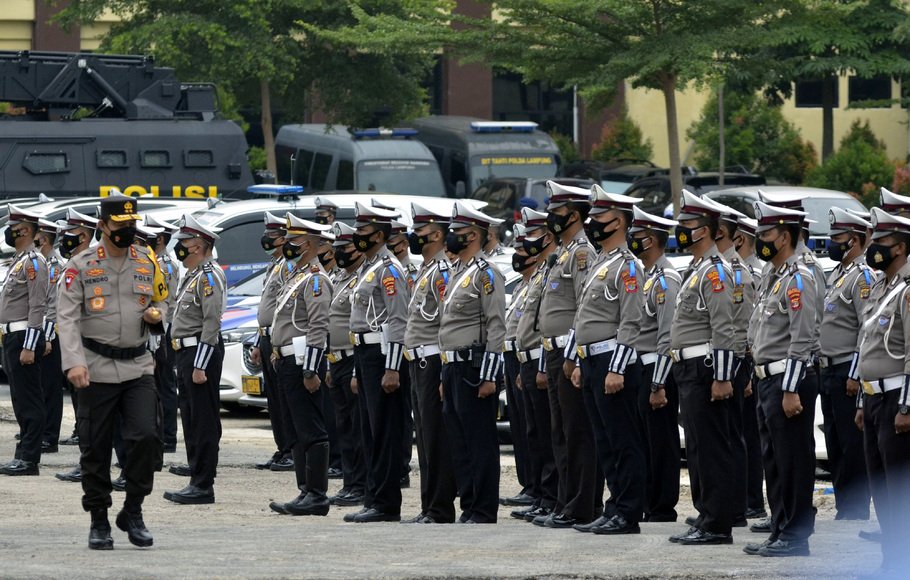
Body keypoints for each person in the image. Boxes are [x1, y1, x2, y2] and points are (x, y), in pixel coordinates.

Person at [56, 193, 168, 549]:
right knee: (96, 448)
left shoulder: (146, 260)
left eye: (132, 225)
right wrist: (73, 361)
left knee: (148, 438)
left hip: (138, 365)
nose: (127, 231)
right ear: (102, 226)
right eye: (120, 225)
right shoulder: (80, 264)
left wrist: (156, 316)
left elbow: (160, 300)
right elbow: (67, 317)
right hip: (94, 368)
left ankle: (132, 509)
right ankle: (99, 520)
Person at [567, 186, 646, 535]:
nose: (592, 223)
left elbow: (632, 321)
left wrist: (616, 368)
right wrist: (579, 362)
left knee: (623, 440)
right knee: (605, 441)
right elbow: (584, 317)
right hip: (593, 362)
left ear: (618, 222)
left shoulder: (628, 266)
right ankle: (614, 507)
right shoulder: (600, 262)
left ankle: (628, 513)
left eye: (599, 218)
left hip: (615, 362)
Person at [745, 201, 819, 558]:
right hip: (767, 380)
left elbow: (802, 338)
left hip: (789, 381)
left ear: (785, 237)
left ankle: (796, 535)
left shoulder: (799, 278)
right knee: (773, 460)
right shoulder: (773, 276)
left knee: (793, 461)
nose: (760, 240)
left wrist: (790, 389)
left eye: (766, 234)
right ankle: (780, 529)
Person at [667, 189, 737, 546]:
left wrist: (723, 377)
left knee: (711, 448)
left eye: (687, 224)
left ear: (706, 231)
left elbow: (723, 327)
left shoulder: (715, 272)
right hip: (687, 368)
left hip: (705, 369)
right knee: (696, 447)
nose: (680, 230)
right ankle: (707, 514)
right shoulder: (696, 269)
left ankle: (718, 524)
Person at [537, 181, 600, 528]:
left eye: (557, 212)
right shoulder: (562, 252)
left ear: (574, 215)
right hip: (554, 352)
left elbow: (583, 309)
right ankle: (566, 500)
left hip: (568, 352)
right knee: (560, 433)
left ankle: (581, 505)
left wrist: (574, 357)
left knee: (577, 433)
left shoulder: (581, 253)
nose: (551, 217)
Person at [438, 201, 505, 524]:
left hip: (473, 369)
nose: (451, 237)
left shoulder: (486, 273)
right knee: (459, 441)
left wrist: (489, 375)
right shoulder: (458, 272)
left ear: (474, 236)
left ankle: (483, 508)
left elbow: (496, 325)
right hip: (452, 367)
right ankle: (469, 505)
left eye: (457, 233)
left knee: (479, 441)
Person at [343, 202, 408, 523]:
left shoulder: (389, 269)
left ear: (380, 235)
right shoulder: (369, 268)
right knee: (369, 431)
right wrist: (357, 370)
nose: (357, 237)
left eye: (363, 232)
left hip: (383, 356)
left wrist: (393, 367)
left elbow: (398, 320)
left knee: (384, 432)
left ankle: (385, 504)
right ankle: (373, 498)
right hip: (365, 356)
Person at [267, 215, 334, 516]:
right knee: (294, 428)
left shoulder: (316, 279)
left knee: (311, 428)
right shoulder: (297, 275)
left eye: (292, 241)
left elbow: (319, 328)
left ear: (307, 244)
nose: (287, 246)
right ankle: (304, 490)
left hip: (302, 360)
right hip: (286, 359)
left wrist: (311, 369)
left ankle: (317, 494)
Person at [855, 207, 910, 576]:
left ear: (902, 248)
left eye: (883, 242)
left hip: (896, 403)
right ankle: (891, 560)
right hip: (873, 399)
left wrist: (906, 407)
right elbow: (867, 345)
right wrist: (862, 399)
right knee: (880, 487)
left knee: (899, 489)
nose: (875, 248)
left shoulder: (907, 291)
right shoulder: (881, 286)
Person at [163, 214, 226, 505]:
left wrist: (200, 364)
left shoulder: (209, 275)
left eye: (185, 242)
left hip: (201, 354)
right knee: (189, 417)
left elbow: (211, 324)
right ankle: (196, 478)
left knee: (202, 420)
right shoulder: (194, 274)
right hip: (186, 352)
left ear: (199, 246)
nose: (180, 247)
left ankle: (203, 485)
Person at [402, 202, 458, 524]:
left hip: (432, 361)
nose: (414, 236)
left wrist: (442, 373)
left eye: (420, 231)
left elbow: (445, 324)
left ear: (437, 234)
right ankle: (428, 507)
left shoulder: (441, 273)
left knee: (435, 439)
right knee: (423, 437)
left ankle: (439, 509)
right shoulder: (425, 270)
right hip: (417, 361)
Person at [626, 205, 682, 523]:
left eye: (639, 236)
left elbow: (667, 337)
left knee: (661, 442)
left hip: (655, 371)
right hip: (640, 369)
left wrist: (658, 383)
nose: (633, 240)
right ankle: (649, 501)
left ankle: (662, 506)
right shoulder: (646, 276)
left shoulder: (666, 280)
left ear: (653, 240)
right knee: (645, 441)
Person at [819, 207, 874, 520]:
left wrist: (854, 374)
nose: (832, 244)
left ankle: (855, 507)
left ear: (854, 240)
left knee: (852, 444)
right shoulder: (839, 274)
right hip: (828, 369)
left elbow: (865, 330)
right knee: (835, 440)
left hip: (846, 372)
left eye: (838, 238)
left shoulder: (862, 277)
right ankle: (845, 506)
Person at [702, 198, 753, 529]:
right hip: (724, 358)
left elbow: (739, 325)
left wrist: (737, 372)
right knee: (720, 440)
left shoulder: (735, 271)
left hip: (732, 361)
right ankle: (726, 506)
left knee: (730, 438)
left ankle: (737, 508)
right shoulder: (713, 267)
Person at [512, 207, 560, 523]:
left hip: (543, 361)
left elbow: (550, 326)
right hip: (529, 362)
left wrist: (541, 365)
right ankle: (542, 497)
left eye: (533, 236)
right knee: (535, 435)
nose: (527, 245)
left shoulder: (555, 267)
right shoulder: (542, 271)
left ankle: (552, 498)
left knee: (548, 435)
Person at [0, 205, 48, 476]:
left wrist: (30, 345)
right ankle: (23, 454)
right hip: (12, 336)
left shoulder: (34, 261)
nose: (9, 231)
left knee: (29, 399)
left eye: (13, 227)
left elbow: (37, 305)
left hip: (23, 337)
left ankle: (30, 459)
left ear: (26, 231)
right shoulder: (20, 259)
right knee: (19, 398)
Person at [54, 208, 100, 483]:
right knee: (82, 409)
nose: (64, 239)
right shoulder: (74, 262)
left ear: (83, 235)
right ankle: (87, 461)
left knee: (91, 410)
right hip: (74, 346)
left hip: (88, 348)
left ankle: (93, 463)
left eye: (69, 234)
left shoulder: (90, 264)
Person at [325, 222, 367, 507]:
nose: (340, 253)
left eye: (346, 248)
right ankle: (349, 482)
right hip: (336, 360)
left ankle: (360, 485)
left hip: (353, 360)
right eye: (337, 248)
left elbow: (359, 325)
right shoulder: (340, 278)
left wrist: (354, 370)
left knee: (357, 427)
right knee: (343, 426)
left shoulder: (363, 278)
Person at [251, 211, 295, 472]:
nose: (267, 240)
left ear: (284, 239)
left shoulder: (288, 265)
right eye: (267, 235)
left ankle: (291, 449)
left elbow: (284, 309)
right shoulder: (273, 265)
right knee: (274, 400)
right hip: (267, 337)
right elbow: (266, 310)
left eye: (273, 236)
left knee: (285, 397)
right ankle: (282, 448)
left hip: (280, 339)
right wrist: (258, 341)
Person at [500, 223, 537, 509]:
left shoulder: (538, 282)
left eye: (521, 251)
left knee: (532, 425)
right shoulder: (524, 285)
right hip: (514, 357)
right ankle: (529, 484)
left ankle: (537, 486)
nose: (517, 256)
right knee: (520, 425)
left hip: (531, 357)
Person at [735, 216, 768, 522]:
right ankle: (744, 498)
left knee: (750, 437)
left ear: (740, 240)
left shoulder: (752, 273)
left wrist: (747, 371)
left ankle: (753, 501)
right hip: (747, 364)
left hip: (751, 365)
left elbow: (750, 325)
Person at [144, 214, 181, 454]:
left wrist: (157, 338)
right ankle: (158, 434)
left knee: (165, 386)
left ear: (159, 239)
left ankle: (168, 437)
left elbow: (163, 303)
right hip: (154, 330)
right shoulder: (154, 261)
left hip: (163, 331)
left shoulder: (165, 264)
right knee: (154, 387)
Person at [36, 219, 64, 454]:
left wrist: (46, 338)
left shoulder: (54, 265)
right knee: (40, 384)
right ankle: (41, 429)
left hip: (51, 335)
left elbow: (53, 306)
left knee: (50, 386)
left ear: (44, 239)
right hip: (41, 331)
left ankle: (49, 436)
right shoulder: (42, 262)